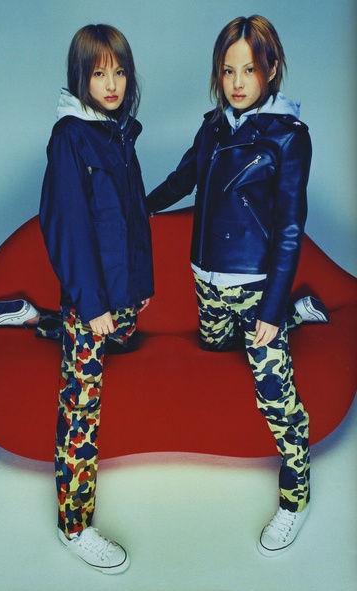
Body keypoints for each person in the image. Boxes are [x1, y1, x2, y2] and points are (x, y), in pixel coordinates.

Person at [145, 15, 322, 557]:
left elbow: (290, 228)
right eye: (228, 70)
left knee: (274, 395)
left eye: (249, 69)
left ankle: (295, 496)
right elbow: (182, 179)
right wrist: (138, 209)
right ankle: (296, 316)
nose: (238, 82)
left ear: (271, 68)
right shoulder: (213, 126)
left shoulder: (289, 136)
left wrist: (271, 306)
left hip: (257, 287)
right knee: (218, 351)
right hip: (207, 281)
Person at [0, 24, 154, 575]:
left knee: (113, 343)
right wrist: (92, 303)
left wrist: (141, 286)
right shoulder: (70, 137)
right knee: (82, 405)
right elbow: (68, 228)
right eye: (99, 73)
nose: (112, 84)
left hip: (117, 296)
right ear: (80, 78)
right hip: (91, 299)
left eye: (119, 71)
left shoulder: (117, 132)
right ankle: (74, 525)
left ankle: (36, 318)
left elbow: (133, 217)